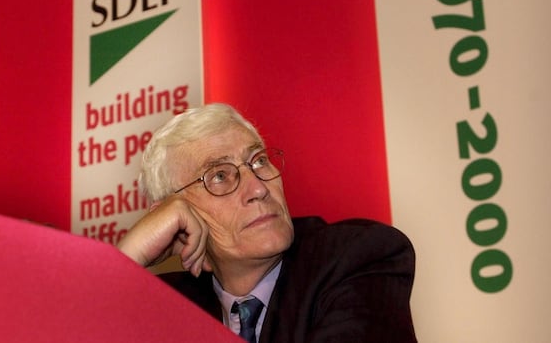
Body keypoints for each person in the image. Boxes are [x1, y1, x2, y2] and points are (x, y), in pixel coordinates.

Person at [117, 103, 417, 343]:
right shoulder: (164, 306)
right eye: (219, 176)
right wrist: (126, 258)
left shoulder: (356, 257)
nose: (259, 188)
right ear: (174, 220)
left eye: (259, 161)